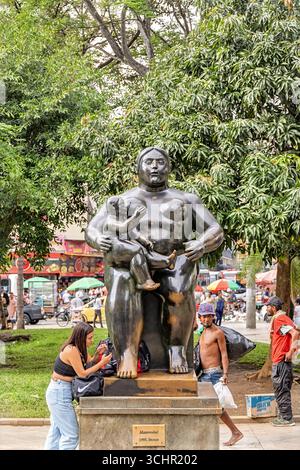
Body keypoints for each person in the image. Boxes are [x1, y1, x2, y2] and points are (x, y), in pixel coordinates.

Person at [86, 146, 224, 378]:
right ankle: (128, 353)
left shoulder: (185, 199)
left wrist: (201, 243)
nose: (154, 167)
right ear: (138, 167)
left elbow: (215, 230)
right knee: (120, 281)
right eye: (148, 162)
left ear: (168, 167)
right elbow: (92, 229)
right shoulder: (123, 200)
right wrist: (100, 239)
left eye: (160, 162)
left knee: (178, 290)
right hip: (133, 260)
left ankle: (177, 348)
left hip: (175, 258)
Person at [44, 322, 112, 450]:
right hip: (59, 393)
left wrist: (98, 355)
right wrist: (103, 362)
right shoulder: (71, 350)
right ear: (81, 337)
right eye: (90, 338)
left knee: (56, 432)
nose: (92, 340)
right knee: (71, 435)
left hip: (61, 391)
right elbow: (82, 373)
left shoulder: (81, 348)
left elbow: (89, 364)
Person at [104, 196, 176, 291]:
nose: (124, 207)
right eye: (121, 205)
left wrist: (145, 241)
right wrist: (135, 216)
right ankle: (163, 264)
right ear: (113, 207)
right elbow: (123, 227)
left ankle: (149, 278)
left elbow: (133, 233)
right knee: (137, 249)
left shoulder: (122, 219)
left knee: (139, 255)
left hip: (122, 246)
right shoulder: (110, 220)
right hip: (113, 249)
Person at [197, 310, 243, 446]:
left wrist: (225, 374)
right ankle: (232, 432)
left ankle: (235, 432)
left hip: (214, 374)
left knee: (216, 406)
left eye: (208, 316)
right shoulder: (202, 332)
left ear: (213, 317)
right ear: (200, 318)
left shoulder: (218, 333)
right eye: (203, 316)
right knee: (210, 406)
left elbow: (224, 354)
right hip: (204, 374)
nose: (206, 319)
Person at [266, 296, 300, 426]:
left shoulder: (279, 318)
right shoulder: (283, 319)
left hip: (281, 359)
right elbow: (294, 332)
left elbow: (295, 334)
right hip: (281, 360)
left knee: (280, 388)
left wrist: (291, 351)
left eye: (268, 306)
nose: (267, 309)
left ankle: (286, 419)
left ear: (274, 308)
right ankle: (284, 416)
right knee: (282, 388)